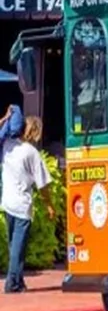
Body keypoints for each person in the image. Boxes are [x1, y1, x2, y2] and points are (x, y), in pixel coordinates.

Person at [2, 113, 50, 293]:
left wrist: (4, 119)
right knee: (17, 247)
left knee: (14, 246)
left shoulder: (7, 146)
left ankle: (19, 281)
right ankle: (11, 283)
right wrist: (49, 205)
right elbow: (43, 184)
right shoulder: (31, 153)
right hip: (22, 206)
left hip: (7, 203)